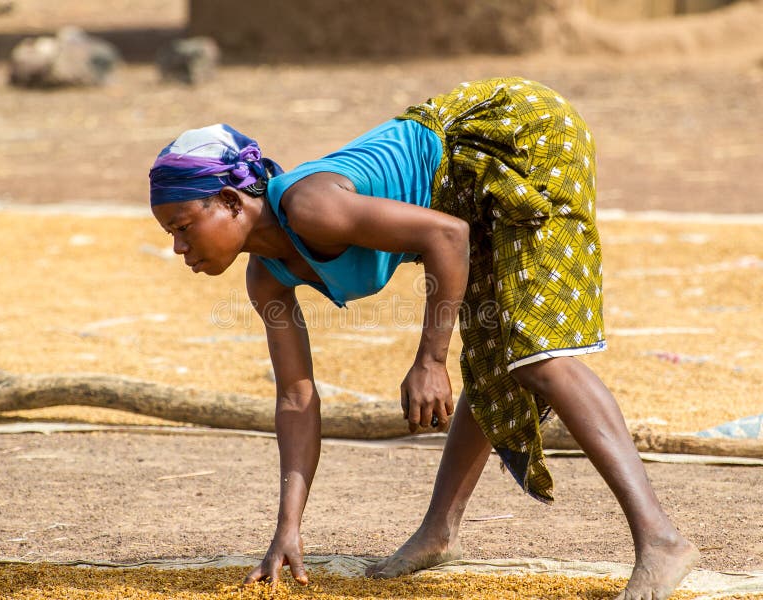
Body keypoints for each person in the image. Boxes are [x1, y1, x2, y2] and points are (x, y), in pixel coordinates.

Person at [148, 77, 699, 599]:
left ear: (227, 200)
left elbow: (446, 233)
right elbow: (296, 397)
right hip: (462, 191)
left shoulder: (312, 207)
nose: (179, 249)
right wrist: (287, 531)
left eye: (182, 227)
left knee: (533, 356)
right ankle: (438, 533)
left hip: (512, 133)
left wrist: (430, 360)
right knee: (494, 362)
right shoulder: (266, 276)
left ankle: (661, 539)